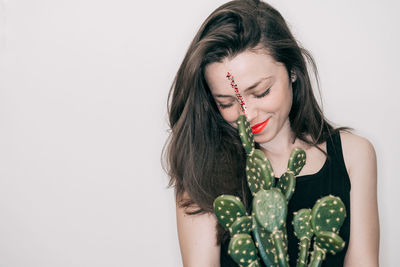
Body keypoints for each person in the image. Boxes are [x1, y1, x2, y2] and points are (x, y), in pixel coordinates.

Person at [164, 0, 379, 266]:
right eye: (227, 103)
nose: (248, 114)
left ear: (293, 71)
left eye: (261, 92)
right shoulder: (200, 169)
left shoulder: (355, 155)